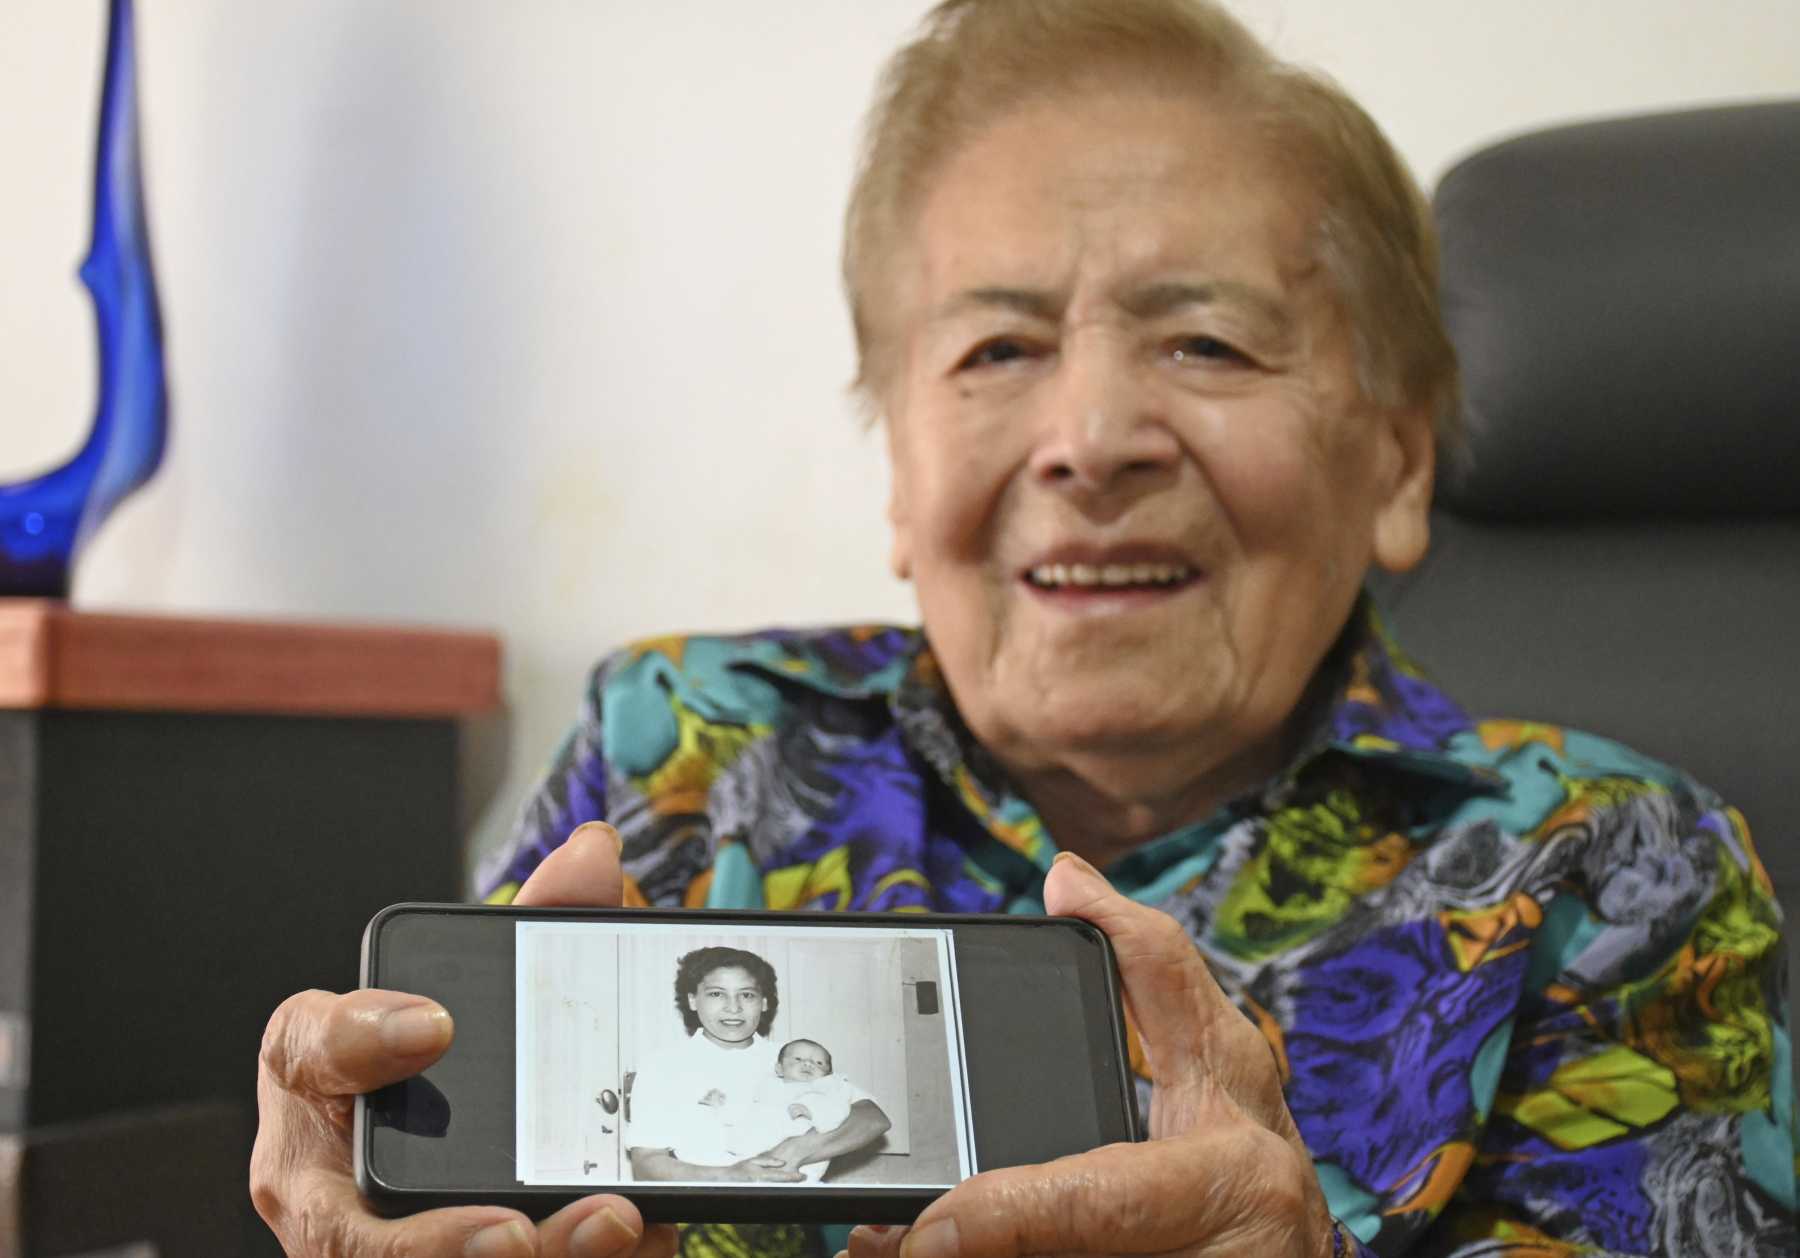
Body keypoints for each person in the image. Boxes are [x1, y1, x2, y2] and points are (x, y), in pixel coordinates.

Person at [249, 1, 1797, 1256]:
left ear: (1396, 464)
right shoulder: (680, 745)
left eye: (1206, 339)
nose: (1091, 436)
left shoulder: (1616, 859)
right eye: (997, 347)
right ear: (903, 472)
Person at [625, 950, 889, 1182]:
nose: (733, 1008)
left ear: (763, 1003)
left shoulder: (794, 1058)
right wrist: (734, 1176)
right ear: (693, 1000)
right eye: (717, 994)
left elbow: (872, 1118)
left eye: (747, 995)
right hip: (708, 1210)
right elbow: (646, 1163)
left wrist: (794, 1149)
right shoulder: (663, 1066)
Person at [704, 1039, 867, 1183]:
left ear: (827, 1074)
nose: (808, 1064)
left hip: (801, 1163)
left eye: (819, 1063)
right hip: (752, 1150)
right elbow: (747, 1109)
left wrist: (812, 1111)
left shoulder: (826, 1090)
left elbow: (839, 1111)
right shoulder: (768, 1087)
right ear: (779, 1068)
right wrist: (722, 1106)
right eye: (798, 1059)